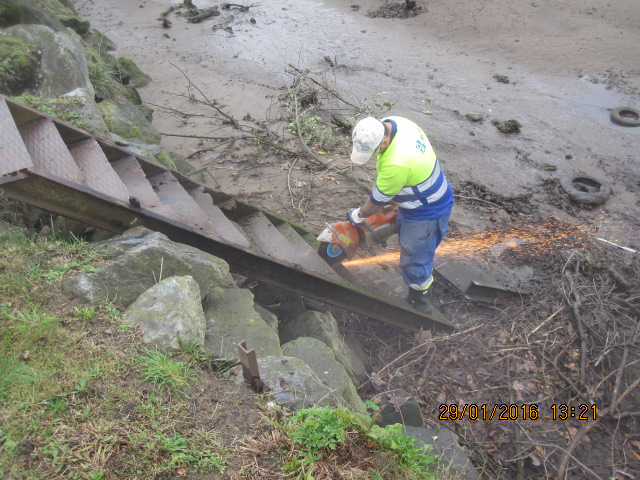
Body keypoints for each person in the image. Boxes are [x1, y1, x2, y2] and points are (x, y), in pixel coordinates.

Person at [347, 116, 454, 312]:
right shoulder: (396, 122)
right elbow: (409, 173)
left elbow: (376, 202)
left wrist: (359, 215)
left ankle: (420, 302)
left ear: (384, 141)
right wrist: (396, 201)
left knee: (415, 258)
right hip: (424, 191)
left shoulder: (397, 162)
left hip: (428, 211)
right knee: (404, 231)